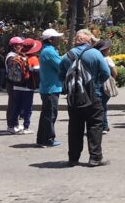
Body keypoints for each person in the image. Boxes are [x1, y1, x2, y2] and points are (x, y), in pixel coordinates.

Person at [58, 29, 112, 167]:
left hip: (74, 98)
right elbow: (106, 73)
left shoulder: (67, 56)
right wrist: (96, 84)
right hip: (93, 96)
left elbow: (60, 75)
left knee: (75, 127)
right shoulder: (95, 54)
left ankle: (73, 158)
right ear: (89, 41)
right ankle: (95, 158)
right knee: (95, 126)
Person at [37, 29, 64, 147]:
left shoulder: (48, 50)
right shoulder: (49, 51)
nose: (59, 40)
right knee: (50, 115)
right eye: (56, 38)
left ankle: (43, 138)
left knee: (47, 114)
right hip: (51, 88)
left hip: (49, 87)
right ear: (50, 39)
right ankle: (48, 138)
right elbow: (61, 66)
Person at [4, 36, 27, 134]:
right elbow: (14, 72)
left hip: (14, 83)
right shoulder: (11, 57)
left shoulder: (16, 55)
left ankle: (15, 124)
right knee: (13, 105)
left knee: (15, 104)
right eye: (20, 45)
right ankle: (11, 125)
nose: (22, 46)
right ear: (14, 46)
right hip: (12, 83)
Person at [95, 39, 116, 133]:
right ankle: (104, 125)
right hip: (105, 84)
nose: (109, 50)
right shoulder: (107, 59)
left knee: (102, 104)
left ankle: (104, 125)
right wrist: (113, 79)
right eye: (108, 49)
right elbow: (115, 72)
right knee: (103, 105)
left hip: (97, 83)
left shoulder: (95, 58)